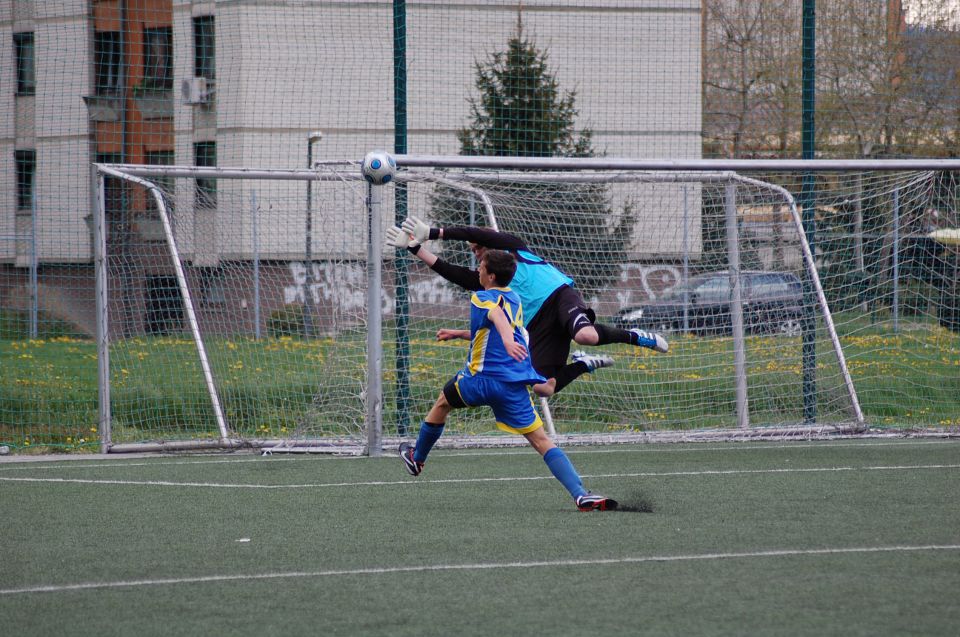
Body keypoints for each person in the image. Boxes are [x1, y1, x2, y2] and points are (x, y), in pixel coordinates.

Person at [398, 249, 617, 512]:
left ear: (490, 276)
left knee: (443, 402)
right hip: (512, 387)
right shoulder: (514, 299)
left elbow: (496, 318)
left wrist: (505, 339)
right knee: (541, 440)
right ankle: (580, 494)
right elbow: (491, 327)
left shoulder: (481, 297)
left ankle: (416, 458)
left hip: (479, 381)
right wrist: (458, 333)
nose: (477, 269)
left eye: (480, 266)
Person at [386, 216, 668, 397]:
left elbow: (474, 232)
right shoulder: (490, 278)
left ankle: (635, 336)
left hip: (558, 296)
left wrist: (435, 232)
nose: (475, 253)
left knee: (586, 335)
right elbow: (453, 273)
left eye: (477, 248)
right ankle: (582, 365)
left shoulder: (513, 247)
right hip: (537, 324)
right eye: (473, 251)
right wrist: (415, 249)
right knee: (543, 388)